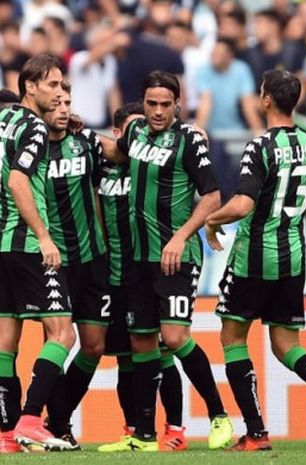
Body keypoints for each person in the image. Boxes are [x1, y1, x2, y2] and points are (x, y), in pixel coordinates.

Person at [205, 69, 306, 452]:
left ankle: (256, 432)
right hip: (293, 256)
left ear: (265, 100)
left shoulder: (259, 147)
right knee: (285, 343)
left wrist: (211, 219)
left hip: (255, 257)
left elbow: (243, 205)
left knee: (232, 337)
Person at [99, 71, 231, 452]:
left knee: (173, 338)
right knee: (142, 342)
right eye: (151, 104)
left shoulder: (189, 139)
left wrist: (180, 236)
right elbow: (115, 151)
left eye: (165, 104)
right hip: (139, 259)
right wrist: (81, 131)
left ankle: (219, 416)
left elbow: (212, 197)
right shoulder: (136, 133)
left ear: (177, 103)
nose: (157, 112)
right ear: (143, 102)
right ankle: (143, 435)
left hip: (176, 257)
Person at [97, 103, 187, 452]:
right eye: (134, 129)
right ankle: (133, 429)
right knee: (125, 357)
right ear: (118, 134)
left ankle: (175, 429)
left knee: (163, 353)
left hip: (150, 272)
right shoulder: (101, 169)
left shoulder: (153, 170)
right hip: (116, 278)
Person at [0, 54, 75, 453]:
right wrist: (44, 236)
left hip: (2, 245)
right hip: (28, 243)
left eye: (62, 86)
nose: (60, 92)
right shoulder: (33, 127)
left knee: (5, 344)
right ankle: (30, 420)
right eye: (52, 85)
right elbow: (17, 181)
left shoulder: (3, 122)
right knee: (63, 332)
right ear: (30, 87)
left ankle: (7, 435)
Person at [39, 80, 109, 451]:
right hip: (54, 262)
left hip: (93, 258)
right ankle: (50, 424)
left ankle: (55, 420)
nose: (64, 108)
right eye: (57, 103)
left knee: (94, 346)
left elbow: (120, 153)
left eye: (68, 102)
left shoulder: (86, 142)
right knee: (57, 339)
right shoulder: (29, 150)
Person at [195, 37, 262, 133]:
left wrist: (259, 134)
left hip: (238, 130)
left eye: (219, 53)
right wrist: (198, 133)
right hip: (211, 132)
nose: (214, 56)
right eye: (213, 52)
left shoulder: (241, 69)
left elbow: (247, 102)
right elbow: (205, 101)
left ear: (230, 55)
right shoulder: (203, 71)